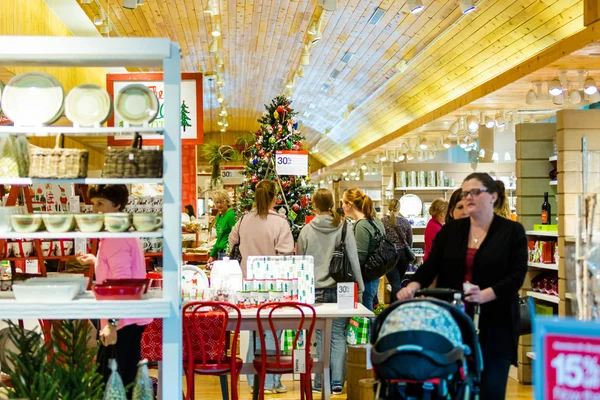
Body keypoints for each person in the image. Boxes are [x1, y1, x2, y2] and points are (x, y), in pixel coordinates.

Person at [397, 173, 528, 400]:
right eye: (466, 193)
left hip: (497, 323)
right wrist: (414, 285)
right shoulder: (451, 232)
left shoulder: (511, 231)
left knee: (492, 388)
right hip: (453, 322)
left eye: (475, 192)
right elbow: (431, 266)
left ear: (493, 196)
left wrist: (486, 294)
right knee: (452, 387)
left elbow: (517, 275)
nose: (469, 197)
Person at [76, 185, 151, 397]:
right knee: (122, 382)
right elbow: (119, 269)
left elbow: (123, 283)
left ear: (117, 204)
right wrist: (97, 260)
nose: (95, 209)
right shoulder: (121, 230)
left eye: (100, 203)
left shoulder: (115, 235)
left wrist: (111, 323)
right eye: (93, 203)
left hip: (121, 321)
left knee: (111, 386)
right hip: (129, 318)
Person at [228, 180, 294, 394]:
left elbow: (232, 242)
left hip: (248, 284)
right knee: (273, 331)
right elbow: (286, 254)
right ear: (276, 197)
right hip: (274, 285)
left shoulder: (244, 220)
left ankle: (253, 378)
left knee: (255, 331)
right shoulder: (280, 223)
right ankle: (270, 381)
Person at [297, 189, 364, 395]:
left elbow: (301, 262)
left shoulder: (306, 230)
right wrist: (360, 287)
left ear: (315, 205)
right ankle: (336, 382)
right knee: (338, 336)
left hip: (315, 290)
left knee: (320, 336)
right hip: (341, 288)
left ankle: (320, 382)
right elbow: (353, 259)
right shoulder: (344, 227)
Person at [342, 188, 386, 311]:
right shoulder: (375, 221)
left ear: (350, 205)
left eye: (343, 202)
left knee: (365, 316)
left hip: (364, 278)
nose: (342, 206)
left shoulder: (362, 225)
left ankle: (371, 331)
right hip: (374, 275)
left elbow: (359, 256)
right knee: (368, 312)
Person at [381, 198, 412, 299]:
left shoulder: (383, 221)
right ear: (399, 208)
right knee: (397, 282)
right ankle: (394, 306)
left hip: (389, 254)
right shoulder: (405, 221)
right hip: (403, 255)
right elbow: (410, 239)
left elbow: (380, 238)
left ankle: (395, 307)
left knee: (395, 283)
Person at [208, 189, 236, 264]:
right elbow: (219, 238)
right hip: (220, 253)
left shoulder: (230, 215)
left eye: (221, 202)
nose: (219, 205)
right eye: (217, 202)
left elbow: (236, 235)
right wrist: (212, 255)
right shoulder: (220, 216)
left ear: (227, 201)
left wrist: (229, 250)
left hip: (227, 254)